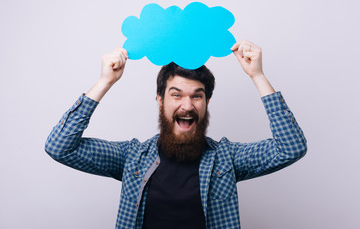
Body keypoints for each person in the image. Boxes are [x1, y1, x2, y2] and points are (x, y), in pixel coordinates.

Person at [45, 39, 307, 229]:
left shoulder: (227, 159)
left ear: (206, 103)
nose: (187, 105)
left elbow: (291, 147)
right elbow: (59, 147)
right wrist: (105, 82)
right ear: (160, 100)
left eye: (197, 96)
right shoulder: (131, 158)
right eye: (176, 95)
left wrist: (257, 75)